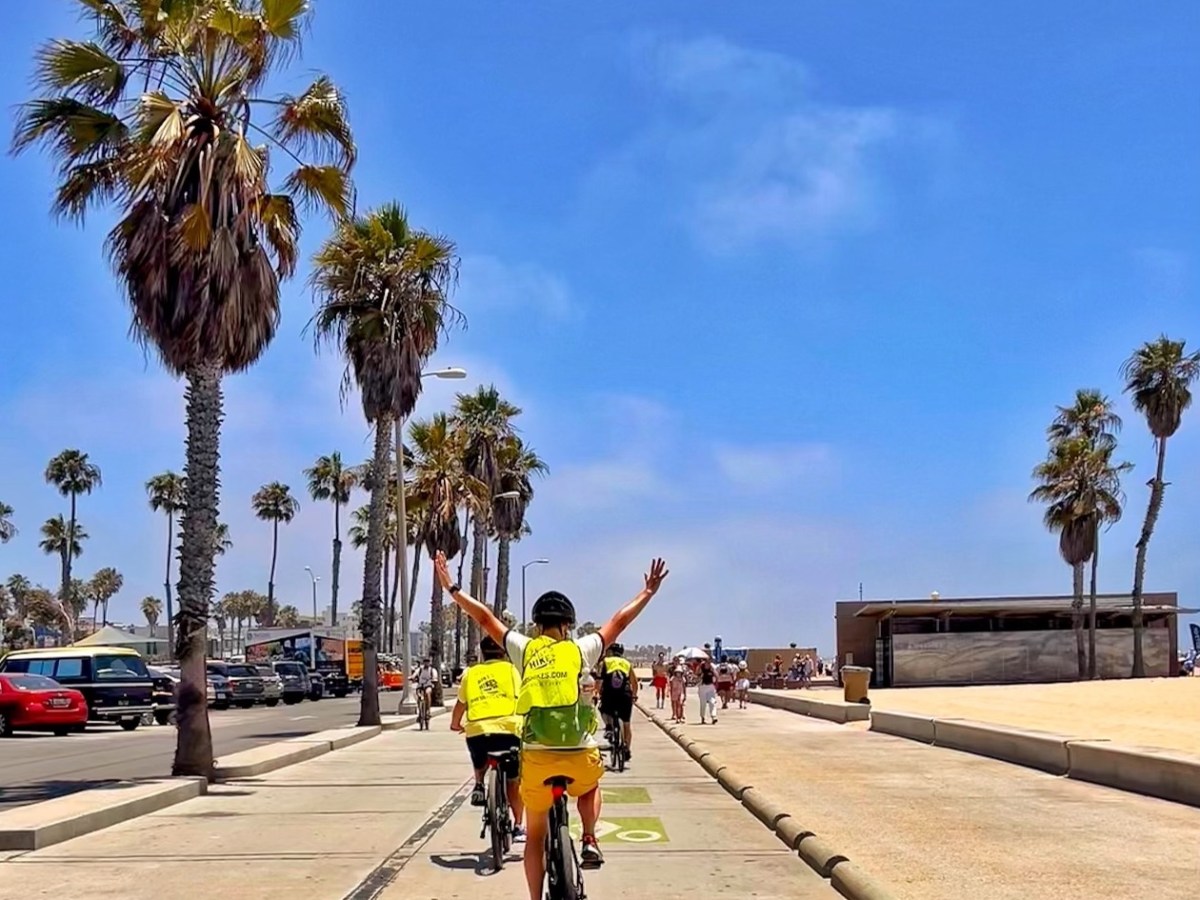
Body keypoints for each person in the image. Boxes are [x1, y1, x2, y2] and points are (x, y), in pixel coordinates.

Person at [434, 550, 669, 900]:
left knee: (535, 836)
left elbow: (484, 618)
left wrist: (452, 587)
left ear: (537, 625)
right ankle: (589, 837)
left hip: (538, 756)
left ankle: (533, 897)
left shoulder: (525, 649)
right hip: (577, 751)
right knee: (589, 787)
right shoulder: (581, 649)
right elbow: (619, 622)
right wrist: (647, 593)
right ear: (567, 626)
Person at [599, 642, 636, 762]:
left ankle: (609, 727)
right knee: (626, 723)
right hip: (625, 695)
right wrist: (634, 696)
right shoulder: (627, 663)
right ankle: (627, 749)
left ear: (610, 652)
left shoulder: (606, 662)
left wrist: (597, 694)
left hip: (609, 694)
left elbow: (599, 680)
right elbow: (634, 682)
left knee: (603, 709)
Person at [697, 657, 717, 724]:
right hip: (702, 686)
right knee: (703, 703)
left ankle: (713, 716)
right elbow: (697, 673)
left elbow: (717, 676)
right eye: (707, 661)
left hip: (710, 686)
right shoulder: (701, 667)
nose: (708, 663)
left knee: (712, 702)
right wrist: (700, 667)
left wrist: (713, 670)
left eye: (709, 661)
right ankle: (703, 717)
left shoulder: (712, 668)